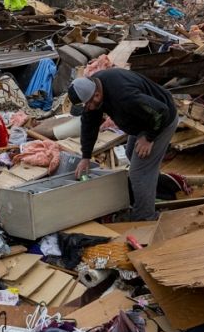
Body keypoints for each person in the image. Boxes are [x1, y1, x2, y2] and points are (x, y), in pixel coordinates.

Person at [68, 68, 179, 221]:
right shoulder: (93, 88)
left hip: (161, 122)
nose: (88, 109)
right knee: (131, 156)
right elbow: (89, 125)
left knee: (138, 172)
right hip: (142, 121)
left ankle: (145, 216)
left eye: (87, 106)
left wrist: (149, 137)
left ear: (97, 96)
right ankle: (157, 190)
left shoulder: (124, 95)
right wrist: (86, 156)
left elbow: (161, 112)